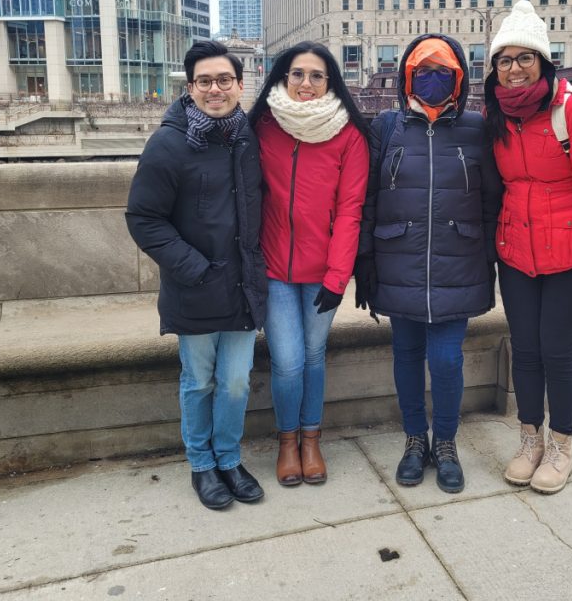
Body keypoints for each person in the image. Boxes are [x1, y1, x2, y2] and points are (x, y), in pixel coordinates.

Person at [483, 0, 572, 495]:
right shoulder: (496, 114)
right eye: (505, 60)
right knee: (525, 351)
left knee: (557, 352)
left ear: (543, 62)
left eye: (525, 58)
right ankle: (530, 441)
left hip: (571, 255)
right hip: (516, 253)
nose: (514, 69)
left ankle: (562, 444)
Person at [355, 34, 502, 494]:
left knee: (446, 359)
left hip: (459, 260)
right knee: (406, 354)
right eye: (423, 72)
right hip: (399, 258)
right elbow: (368, 197)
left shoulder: (477, 128)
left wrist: (491, 257)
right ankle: (415, 439)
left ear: (458, 78)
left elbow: (493, 199)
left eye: (443, 72)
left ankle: (447, 442)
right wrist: (365, 260)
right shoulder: (387, 127)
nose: (432, 80)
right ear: (407, 78)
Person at [126, 40, 268, 511]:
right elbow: (144, 218)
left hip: (243, 286)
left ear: (240, 86)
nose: (215, 89)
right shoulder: (169, 143)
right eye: (204, 81)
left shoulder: (248, 138)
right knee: (199, 381)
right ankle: (202, 465)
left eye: (224, 80)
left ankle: (229, 458)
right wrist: (194, 269)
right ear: (190, 88)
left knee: (236, 382)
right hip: (197, 286)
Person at [248, 42, 369, 486]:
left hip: (323, 273)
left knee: (314, 356)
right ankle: (287, 442)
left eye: (317, 75)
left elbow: (351, 210)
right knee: (287, 360)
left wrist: (338, 277)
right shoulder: (263, 126)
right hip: (274, 269)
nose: (306, 84)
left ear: (330, 81)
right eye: (297, 74)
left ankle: (312, 440)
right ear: (284, 76)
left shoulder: (349, 135)